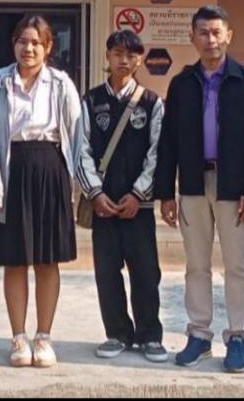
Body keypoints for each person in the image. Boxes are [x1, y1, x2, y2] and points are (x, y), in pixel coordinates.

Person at [155, 5, 244, 373]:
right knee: (196, 265)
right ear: (192, 37)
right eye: (203, 32)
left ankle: (237, 336)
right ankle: (199, 335)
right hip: (193, 183)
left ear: (229, 36)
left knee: (237, 265)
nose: (210, 39)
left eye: (216, 32)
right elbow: (169, 141)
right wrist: (166, 192)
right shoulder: (181, 84)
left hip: (235, 187)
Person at [0, 15, 82, 368]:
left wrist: (83, 188)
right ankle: (19, 336)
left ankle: (44, 336)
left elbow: (77, 136)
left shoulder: (62, 85)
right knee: (15, 259)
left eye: (36, 42)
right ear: (14, 44)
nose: (29, 48)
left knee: (47, 259)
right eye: (23, 41)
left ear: (49, 47)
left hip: (50, 170)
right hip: (12, 171)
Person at [77, 30, 167, 363]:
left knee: (146, 272)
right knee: (106, 271)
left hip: (138, 207)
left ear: (140, 59)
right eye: (117, 53)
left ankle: (150, 335)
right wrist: (95, 193)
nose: (124, 60)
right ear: (107, 56)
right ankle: (117, 333)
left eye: (131, 55)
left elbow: (158, 153)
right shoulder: (91, 101)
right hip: (103, 205)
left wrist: (138, 193)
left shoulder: (152, 103)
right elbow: (81, 149)